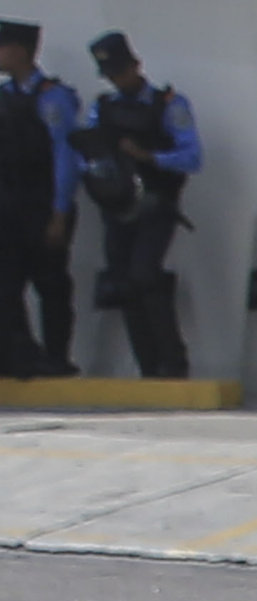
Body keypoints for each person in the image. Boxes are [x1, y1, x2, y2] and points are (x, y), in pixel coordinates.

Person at [70, 30, 188, 379]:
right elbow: (86, 150)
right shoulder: (103, 108)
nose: (117, 80)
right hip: (118, 207)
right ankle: (149, 366)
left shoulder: (169, 105)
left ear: (136, 65)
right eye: (110, 75)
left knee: (146, 276)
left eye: (121, 72)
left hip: (156, 203)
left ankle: (173, 362)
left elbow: (191, 156)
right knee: (125, 284)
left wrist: (149, 156)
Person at [0, 23, 79, 379]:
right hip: (9, 205)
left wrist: (59, 211)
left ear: (21, 51)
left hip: (44, 204)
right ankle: (20, 355)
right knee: (7, 284)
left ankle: (56, 357)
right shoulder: (4, 96)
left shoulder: (53, 97)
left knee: (51, 284)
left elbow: (65, 156)